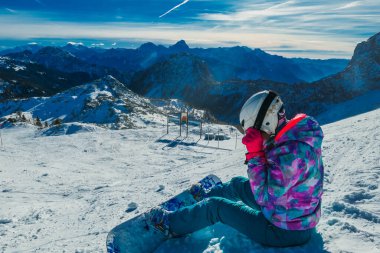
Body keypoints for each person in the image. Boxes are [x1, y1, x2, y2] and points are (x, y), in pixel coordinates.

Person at [151, 90, 324, 247]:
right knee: (237, 184)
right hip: (290, 211)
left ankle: (169, 225)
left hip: (283, 230)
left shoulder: (290, 156)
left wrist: (255, 154)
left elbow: (263, 196)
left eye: (254, 132)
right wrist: (262, 147)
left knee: (215, 208)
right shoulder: (294, 137)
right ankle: (204, 197)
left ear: (266, 122)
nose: (253, 137)